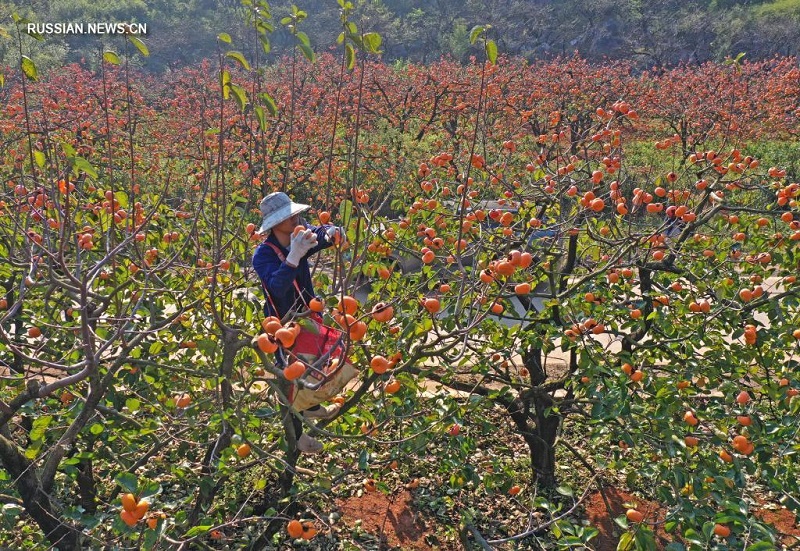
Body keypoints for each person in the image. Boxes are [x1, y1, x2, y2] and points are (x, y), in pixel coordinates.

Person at [252, 191, 345, 454]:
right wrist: (293, 257)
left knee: (317, 364)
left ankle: (313, 407)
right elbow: (278, 288)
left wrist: (331, 232)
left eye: (294, 213)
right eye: (288, 216)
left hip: (307, 314)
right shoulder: (263, 255)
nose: (295, 218)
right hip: (281, 324)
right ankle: (298, 437)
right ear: (274, 223)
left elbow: (322, 231)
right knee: (291, 380)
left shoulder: (299, 235)